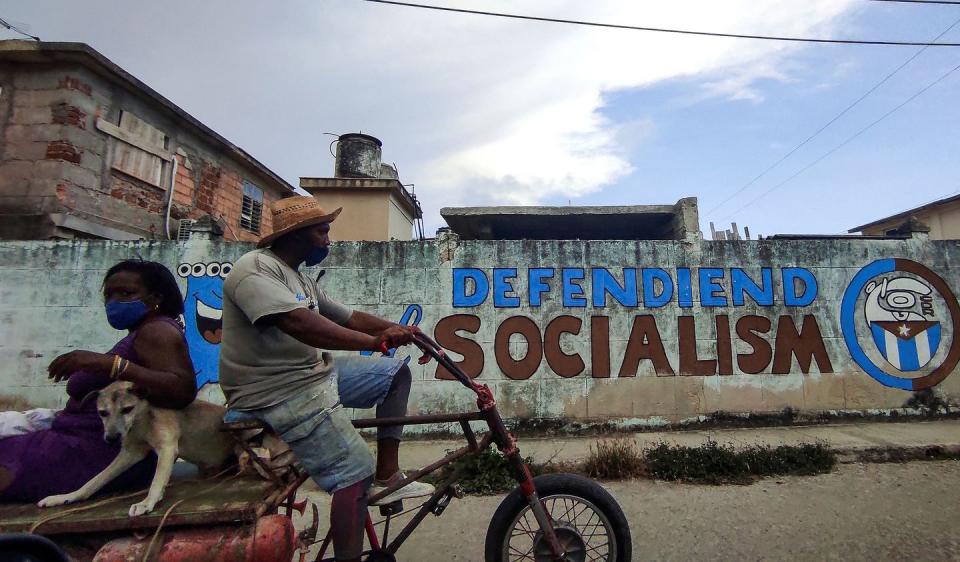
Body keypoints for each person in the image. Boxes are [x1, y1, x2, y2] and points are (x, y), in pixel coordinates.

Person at [219, 196, 433, 562]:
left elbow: (349, 317)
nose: (329, 241)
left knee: (396, 372)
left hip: (314, 374)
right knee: (353, 471)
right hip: (276, 391)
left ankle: (389, 475)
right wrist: (375, 342)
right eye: (322, 232)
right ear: (297, 235)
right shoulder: (253, 270)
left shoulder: (299, 277)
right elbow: (297, 323)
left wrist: (404, 331)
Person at [0, 260, 197, 503]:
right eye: (109, 295)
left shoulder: (157, 331)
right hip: (74, 437)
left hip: (97, 451)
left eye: (126, 293)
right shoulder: (141, 332)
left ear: (155, 298)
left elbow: (182, 389)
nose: (114, 302)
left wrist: (109, 364)